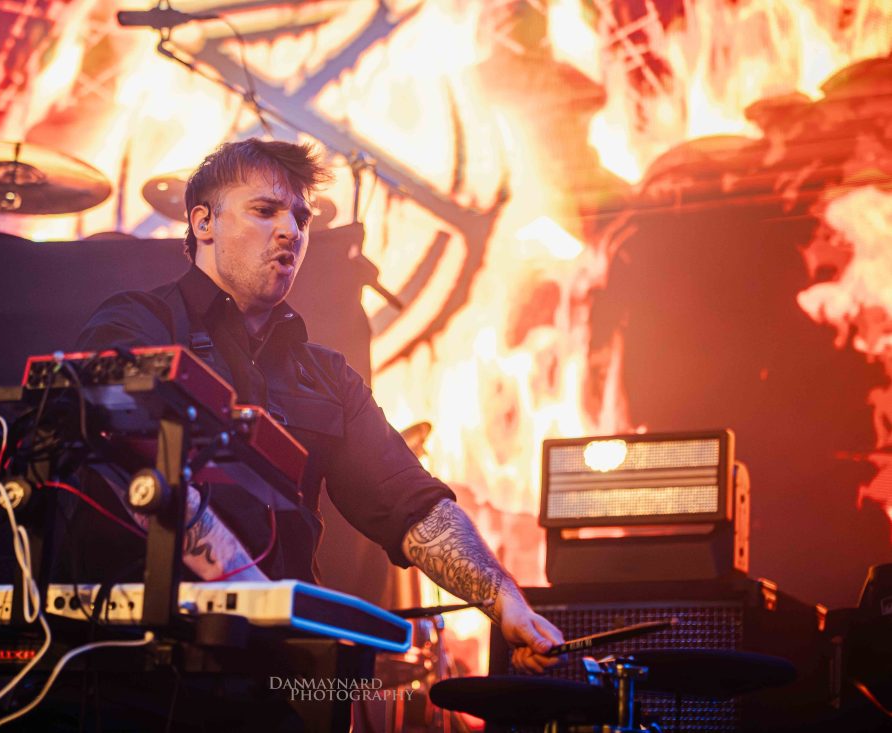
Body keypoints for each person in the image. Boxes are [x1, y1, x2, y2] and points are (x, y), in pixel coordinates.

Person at [77, 138, 562, 674]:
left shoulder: (327, 376)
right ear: (203, 222)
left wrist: (503, 600)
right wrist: (255, 597)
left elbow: (408, 502)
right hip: (135, 668)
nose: (291, 230)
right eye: (265, 210)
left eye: (300, 218)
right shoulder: (138, 324)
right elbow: (129, 463)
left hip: (278, 676)